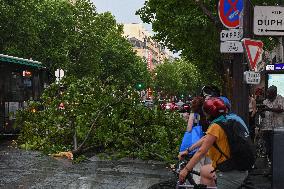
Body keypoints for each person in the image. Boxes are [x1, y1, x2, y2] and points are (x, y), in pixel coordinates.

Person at [179, 97, 248, 188]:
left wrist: (186, 169)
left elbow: (201, 151)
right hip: (239, 165)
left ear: (210, 114)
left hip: (230, 171)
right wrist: (188, 150)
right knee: (204, 171)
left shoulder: (216, 126)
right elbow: (206, 138)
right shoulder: (231, 119)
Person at [261, 85, 284, 162]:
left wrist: (268, 109)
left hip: (277, 128)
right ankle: (270, 163)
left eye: (269, 93)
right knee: (268, 148)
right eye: (267, 93)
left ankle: (277, 164)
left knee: (276, 147)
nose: (267, 94)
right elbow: (263, 115)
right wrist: (261, 112)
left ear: (274, 93)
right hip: (266, 128)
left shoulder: (280, 98)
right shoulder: (265, 101)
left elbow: (280, 109)